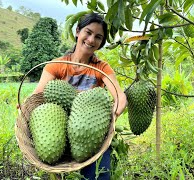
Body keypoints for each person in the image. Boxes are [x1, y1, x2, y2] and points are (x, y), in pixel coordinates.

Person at [31, 13, 127, 180]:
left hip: (90, 133)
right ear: (77, 32)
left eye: (98, 37)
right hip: (60, 132)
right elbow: (38, 95)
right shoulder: (57, 65)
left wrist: (114, 114)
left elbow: (119, 95)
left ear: (101, 43)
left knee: (101, 174)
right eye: (88, 33)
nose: (91, 40)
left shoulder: (101, 68)